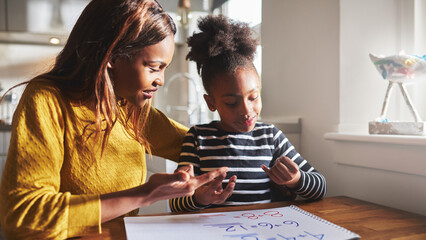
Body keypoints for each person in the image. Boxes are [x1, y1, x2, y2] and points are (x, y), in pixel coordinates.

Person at [0, 0, 235, 239]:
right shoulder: (47, 99)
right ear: (112, 55)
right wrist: (145, 194)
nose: (161, 81)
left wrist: (267, 146)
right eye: (154, 68)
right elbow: (23, 218)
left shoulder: (130, 106)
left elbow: (201, 146)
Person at [169, 15, 326, 212]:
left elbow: (320, 187)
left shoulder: (270, 136)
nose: (246, 110)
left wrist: (296, 180)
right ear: (211, 103)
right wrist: (198, 198)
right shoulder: (197, 138)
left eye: (253, 97)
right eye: (231, 103)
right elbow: (175, 202)